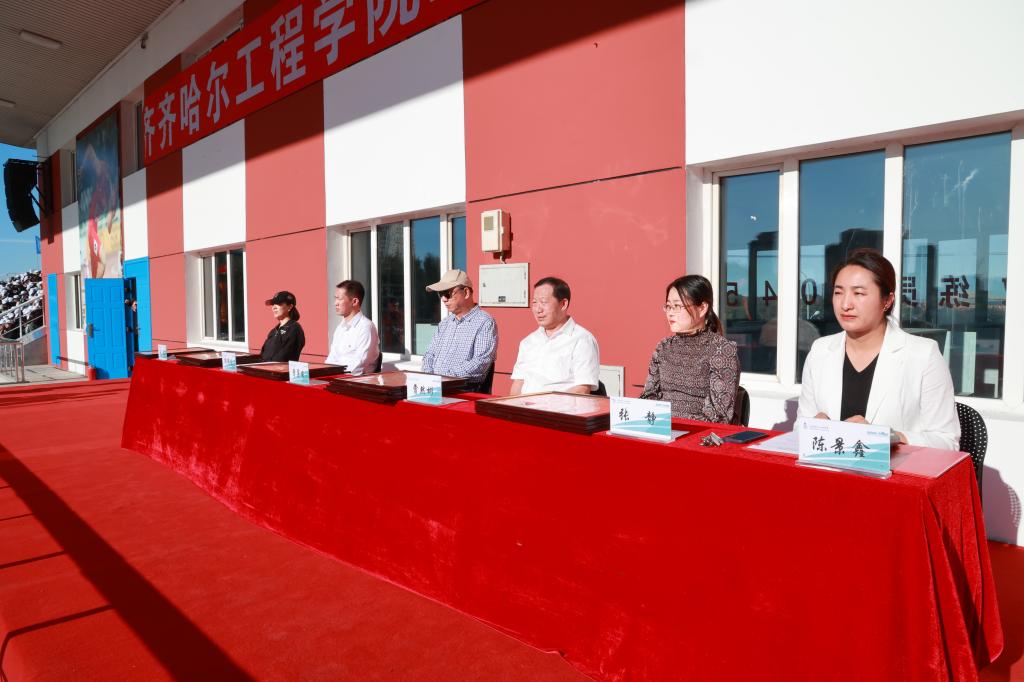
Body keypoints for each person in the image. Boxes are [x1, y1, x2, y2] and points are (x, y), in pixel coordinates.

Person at [798, 248, 959, 450]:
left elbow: (947, 441)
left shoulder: (923, 355)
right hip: (828, 466)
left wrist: (887, 437)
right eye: (838, 292)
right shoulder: (820, 350)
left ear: (887, 300)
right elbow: (799, 428)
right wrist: (812, 427)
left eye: (858, 293)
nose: (845, 304)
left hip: (895, 469)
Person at [640, 275, 739, 422]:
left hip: (698, 432)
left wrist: (673, 423)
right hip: (661, 427)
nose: (670, 313)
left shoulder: (721, 350)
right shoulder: (664, 347)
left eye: (677, 306)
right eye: (668, 306)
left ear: (702, 308)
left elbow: (718, 415)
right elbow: (649, 396)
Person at [509, 277, 599, 395]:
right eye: (534, 303)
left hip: (560, 406)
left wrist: (544, 405)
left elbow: (581, 390)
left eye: (544, 302)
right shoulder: (528, 342)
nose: (538, 309)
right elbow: (518, 384)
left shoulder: (582, 340)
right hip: (524, 405)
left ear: (563, 304)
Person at [420, 269, 497, 391]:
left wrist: (444, 377)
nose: (443, 299)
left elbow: (481, 362)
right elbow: (429, 354)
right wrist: (430, 377)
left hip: (464, 391)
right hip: (435, 388)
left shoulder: (484, 322)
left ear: (466, 292)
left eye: (447, 293)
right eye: (440, 294)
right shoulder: (444, 323)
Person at [326, 280, 379, 375]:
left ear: (354, 302)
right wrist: (323, 373)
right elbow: (332, 358)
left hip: (356, 380)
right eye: (335, 298)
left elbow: (359, 365)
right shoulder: (340, 327)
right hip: (337, 378)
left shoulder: (366, 327)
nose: (335, 303)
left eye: (339, 299)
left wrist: (335, 377)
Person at [260, 291, 306, 362]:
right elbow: (263, 355)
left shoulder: (294, 329)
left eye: (278, 303)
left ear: (290, 307)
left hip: (280, 369)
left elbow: (283, 358)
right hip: (265, 368)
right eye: (273, 304)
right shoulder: (273, 331)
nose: (274, 307)